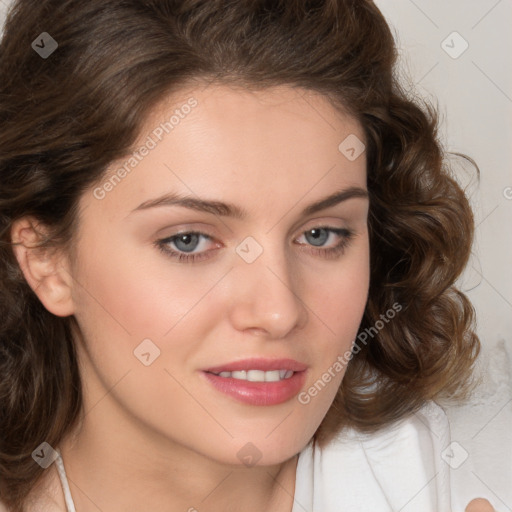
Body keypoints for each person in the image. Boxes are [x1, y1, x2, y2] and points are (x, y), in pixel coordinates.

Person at [0, 0, 498, 511]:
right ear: (46, 261)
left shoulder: (467, 482)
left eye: (322, 234)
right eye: (188, 241)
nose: (278, 312)